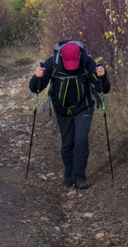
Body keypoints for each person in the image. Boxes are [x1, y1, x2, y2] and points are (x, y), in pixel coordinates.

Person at [29, 40, 110, 190]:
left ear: (79, 56)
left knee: (81, 140)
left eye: (74, 62)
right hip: (62, 109)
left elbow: (103, 89)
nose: (71, 66)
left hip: (84, 107)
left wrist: (102, 76)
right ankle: (68, 175)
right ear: (62, 57)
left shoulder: (87, 62)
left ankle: (79, 177)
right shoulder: (52, 63)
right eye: (69, 63)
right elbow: (36, 89)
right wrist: (37, 77)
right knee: (67, 144)